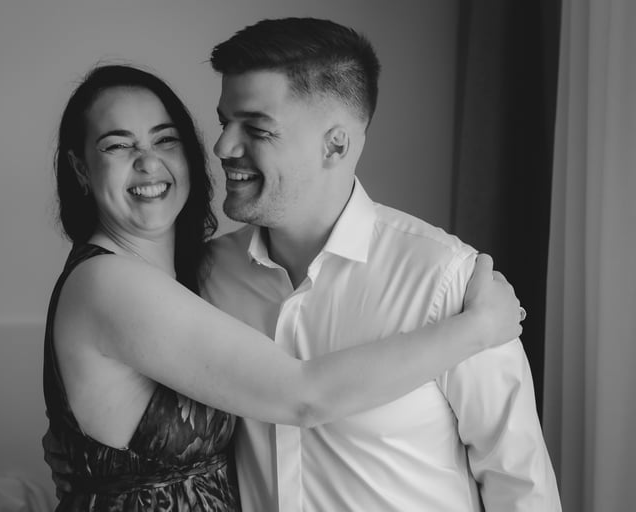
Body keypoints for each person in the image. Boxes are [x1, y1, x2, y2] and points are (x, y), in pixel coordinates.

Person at [42, 63, 524, 511]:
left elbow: (517, 474)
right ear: (81, 168)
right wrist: (479, 329)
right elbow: (302, 396)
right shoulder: (108, 282)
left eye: (165, 140)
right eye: (117, 145)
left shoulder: (203, 275)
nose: (148, 162)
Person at [203, 17, 561, 511]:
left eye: (257, 128)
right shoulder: (208, 277)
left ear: (336, 144)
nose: (223, 147)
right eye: (225, 122)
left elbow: (522, 487)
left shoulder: (447, 282)